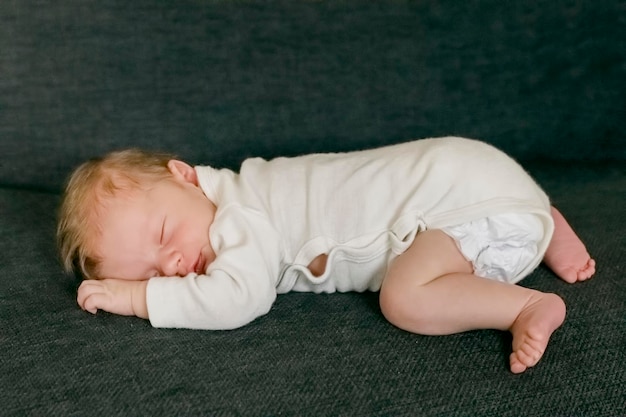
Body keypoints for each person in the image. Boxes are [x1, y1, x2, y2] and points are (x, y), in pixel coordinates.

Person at [57, 136, 595, 374]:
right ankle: (545, 220)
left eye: (166, 234)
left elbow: (238, 299)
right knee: (442, 215)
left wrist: (137, 295)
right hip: (479, 174)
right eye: (153, 271)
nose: (173, 265)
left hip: (467, 208)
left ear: (186, 176)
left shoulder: (237, 215)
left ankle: (524, 306)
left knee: (404, 298)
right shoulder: (246, 187)